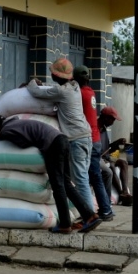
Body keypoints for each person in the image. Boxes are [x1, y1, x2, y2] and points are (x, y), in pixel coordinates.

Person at [0, 114, 100, 234]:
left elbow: (23, 143)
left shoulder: (6, 130)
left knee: (58, 186)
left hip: (52, 145)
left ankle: (65, 224)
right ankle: (89, 216)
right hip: (62, 139)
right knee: (66, 184)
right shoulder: (16, 123)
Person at [27, 58, 91, 213]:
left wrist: (33, 82)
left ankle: (89, 216)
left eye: (52, 73)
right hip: (85, 135)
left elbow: (35, 92)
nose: (51, 76)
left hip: (76, 138)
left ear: (57, 76)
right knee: (81, 179)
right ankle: (85, 214)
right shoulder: (74, 86)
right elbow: (53, 88)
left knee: (80, 180)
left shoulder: (61, 91)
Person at [75, 68, 115, 222]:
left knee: (88, 177)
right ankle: (105, 210)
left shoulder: (81, 94)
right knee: (95, 176)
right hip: (95, 138)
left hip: (88, 138)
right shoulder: (91, 92)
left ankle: (98, 212)